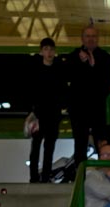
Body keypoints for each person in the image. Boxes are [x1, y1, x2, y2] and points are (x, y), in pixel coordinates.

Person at [66, 24, 110, 160]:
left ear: (98, 38)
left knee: (101, 143)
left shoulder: (105, 58)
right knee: (80, 144)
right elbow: (67, 76)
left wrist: (94, 66)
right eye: (87, 36)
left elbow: (109, 81)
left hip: (98, 109)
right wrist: (81, 64)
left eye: (93, 36)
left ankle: (104, 176)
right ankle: (80, 178)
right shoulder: (73, 57)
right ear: (82, 39)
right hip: (78, 109)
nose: (90, 39)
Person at [24, 38, 65, 183]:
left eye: (51, 50)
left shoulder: (59, 70)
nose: (49, 52)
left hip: (53, 115)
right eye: (46, 49)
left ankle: (46, 177)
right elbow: (30, 92)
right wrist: (33, 112)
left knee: (49, 149)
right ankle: (34, 177)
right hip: (39, 115)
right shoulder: (35, 70)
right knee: (35, 148)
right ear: (41, 51)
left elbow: (62, 92)